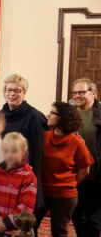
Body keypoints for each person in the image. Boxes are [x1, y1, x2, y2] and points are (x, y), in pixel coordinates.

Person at [35, 102, 94, 237]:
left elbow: (85, 169)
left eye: (53, 113)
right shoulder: (44, 136)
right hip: (42, 192)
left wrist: (69, 184)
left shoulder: (76, 141)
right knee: (31, 227)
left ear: (63, 118)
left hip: (64, 196)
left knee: (59, 232)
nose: (48, 115)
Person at [1, 74, 45, 211]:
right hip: (3, 172)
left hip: (25, 174)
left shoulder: (34, 116)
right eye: (9, 90)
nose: (12, 94)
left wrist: (30, 178)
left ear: (24, 92)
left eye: (17, 90)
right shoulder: (0, 115)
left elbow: (37, 153)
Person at [0, 132, 37, 237]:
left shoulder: (28, 176)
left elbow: (27, 205)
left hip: (16, 230)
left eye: (14, 151)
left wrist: (7, 222)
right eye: (6, 151)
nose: (9, 154)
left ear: (23, 152)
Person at [71, 78, 101, 237]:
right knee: (76, 215)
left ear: (93, 93)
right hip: (74, 175)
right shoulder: (69, 114)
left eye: (81, 92)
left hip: (95, 176)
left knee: (93, 217)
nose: (77, 96)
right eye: (75, 92)